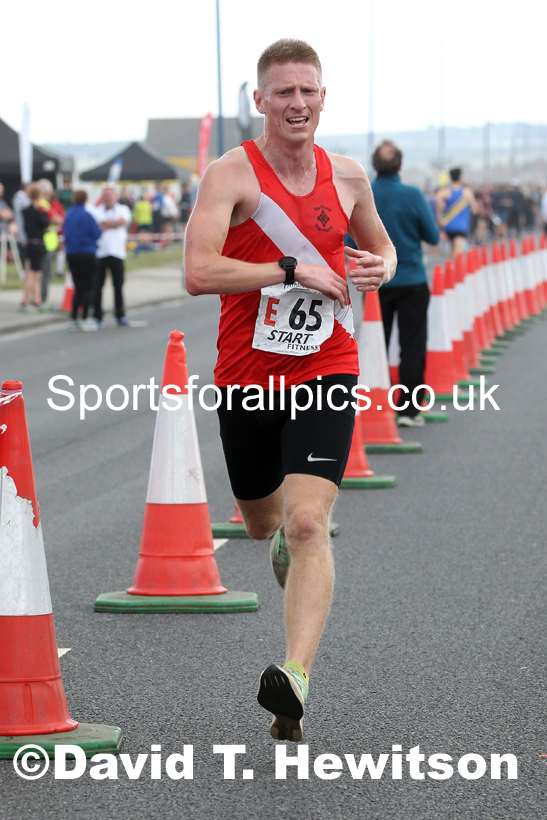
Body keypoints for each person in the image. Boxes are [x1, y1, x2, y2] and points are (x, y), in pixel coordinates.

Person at [184, 38, 396, 742]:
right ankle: (277, 544)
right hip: (246, 378)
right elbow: (197, 271)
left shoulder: (348, 177)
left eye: (307, 91)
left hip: (324, 369)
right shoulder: (229, 175)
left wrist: (377, 268)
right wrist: (288, 269)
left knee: (308, 524)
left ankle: (294, 679)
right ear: (259, 101)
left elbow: (382, 249)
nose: (296, 104)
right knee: (261, 525)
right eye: (283, 93)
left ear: (323, 96)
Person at [371, 140, 440, 427]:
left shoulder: (366, 193)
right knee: (412, 344)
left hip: (376, 281)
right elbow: (433, 236)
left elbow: (348, 237)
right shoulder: (413, 195)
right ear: (399, 164)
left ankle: (374, 406)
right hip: (411, 278)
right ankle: (409, 410)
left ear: (375, 165)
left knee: (376, 343)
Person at [92, 184, 131, 327]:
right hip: (101, 252)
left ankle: (120, 314)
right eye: (105, 196)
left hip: (117, 252)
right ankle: (97, 315)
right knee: (98, 286)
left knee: (118, 285)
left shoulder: (123, 209)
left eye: (110, 195)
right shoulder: (96, 211)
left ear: (115, 196)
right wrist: (113, 224)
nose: (107, 198)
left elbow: (123, 221)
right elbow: (97, 226)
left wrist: (106, 224)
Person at [63, 190, 102, 330]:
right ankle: (85, 316)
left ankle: (74, 316)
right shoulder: (87, 215)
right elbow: (97, 233)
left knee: (77, 286)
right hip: (87, 252)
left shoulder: (68, 215)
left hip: (72, 253)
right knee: (89, 287)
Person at [436, 167, 478, 259]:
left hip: (449, 225)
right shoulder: (467, 191)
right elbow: (475, 209)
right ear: (460, 177)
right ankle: (454, 269)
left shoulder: (445, 191)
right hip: (461, 226)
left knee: (453, 248)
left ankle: (451, 269)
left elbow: (439, 206)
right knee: (458, 252)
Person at [21, 185, 49, 311]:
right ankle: (36, 299)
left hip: (28, 244)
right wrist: (45, 212)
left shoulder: (25, 211)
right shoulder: (38, 212)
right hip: (37, 245)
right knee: (36, 274)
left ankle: (26, 298)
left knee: (28, 273)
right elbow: (45, 223)